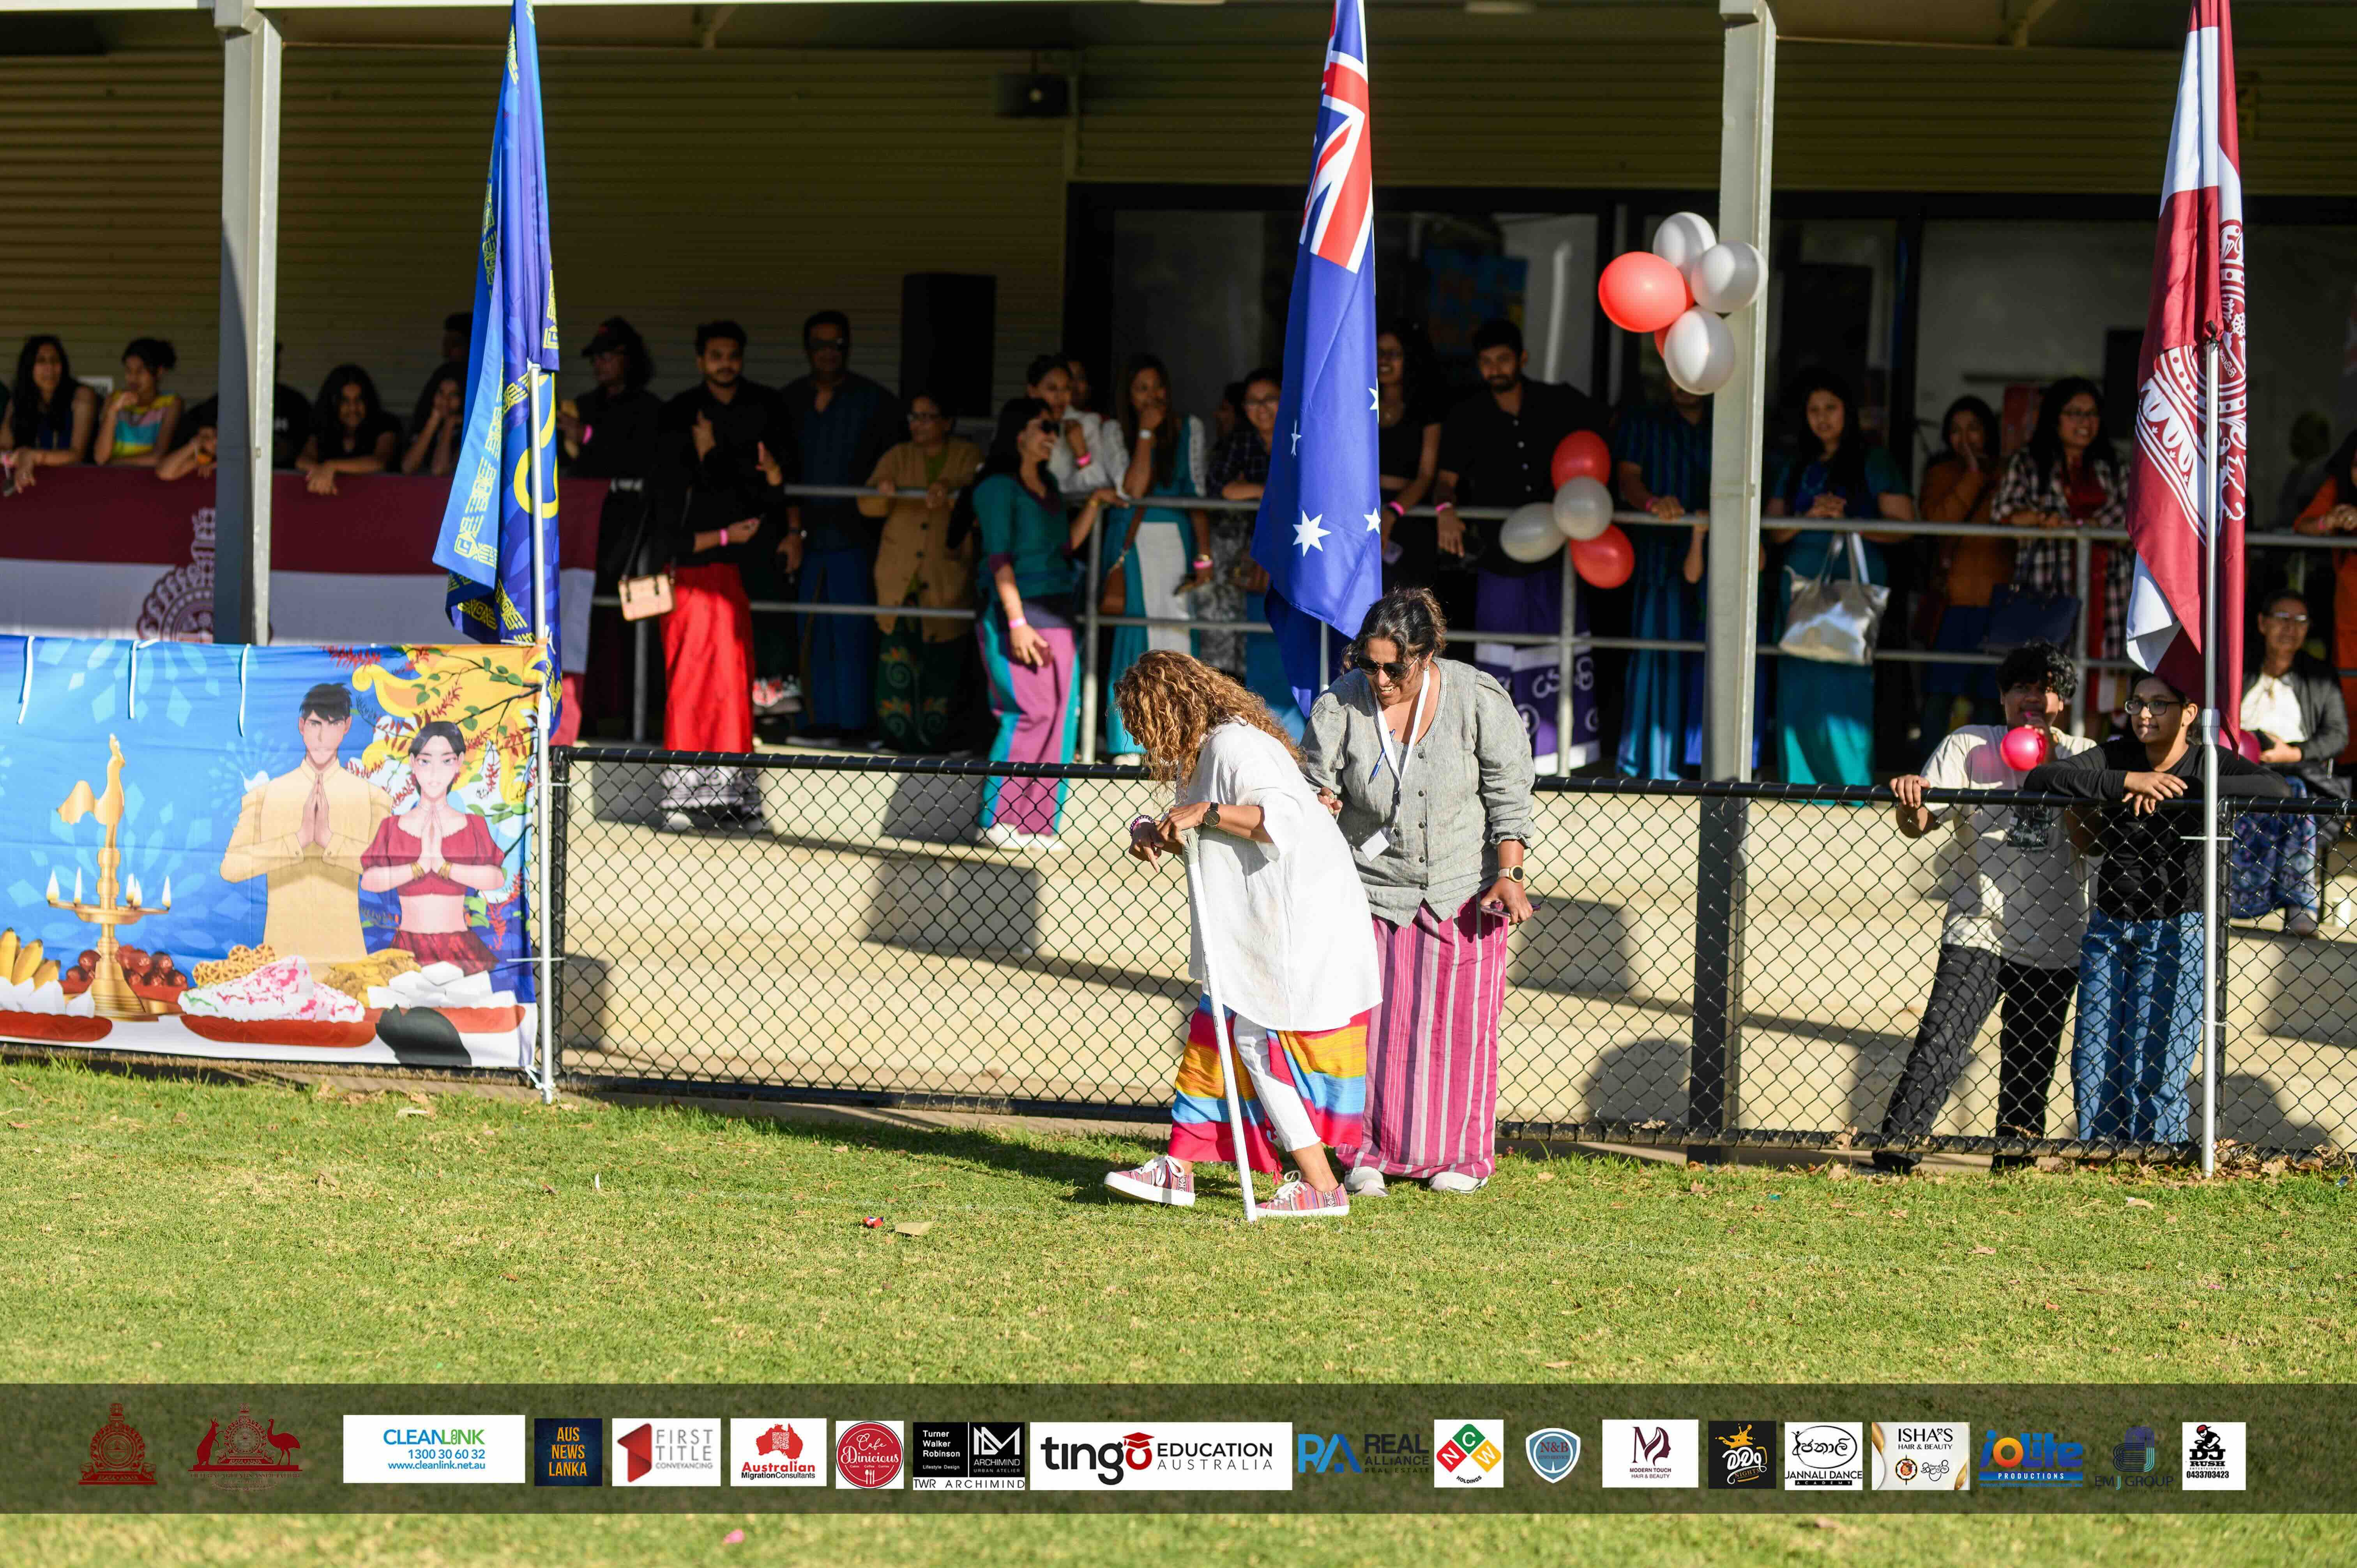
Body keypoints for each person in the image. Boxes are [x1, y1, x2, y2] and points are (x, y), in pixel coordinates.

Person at [1104, 650, 1380, 1217]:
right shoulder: (1202, 754)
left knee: (1254, 1045)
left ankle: (1322, 1187)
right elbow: (1197, 825)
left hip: (1297, 921)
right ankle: (1179, 1166)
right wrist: (1150, 831)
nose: (1144, 741)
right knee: (1217, 1039)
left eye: (1144, 726)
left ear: (1169, 710)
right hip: (1259, 927)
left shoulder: (1236, 745)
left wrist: (1205, 812)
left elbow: (1280, 819)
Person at [1300, 587, 1536, 1195]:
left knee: (1458, 1033)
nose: (1378, 679)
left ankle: (1460, 1158)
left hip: (1462, 890)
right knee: (1371, 1033)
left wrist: (1508, 875)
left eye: (1393, 667)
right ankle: (1364, 1155)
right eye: (1368, 663)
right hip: (1370, 893)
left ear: (1428, 656)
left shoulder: (1477, 697)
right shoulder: (1340, 704)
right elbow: (1314, 787)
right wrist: (1320, 804)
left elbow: (1508, 794)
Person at [2023, 673, 2288, 1144]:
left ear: (2189, 712)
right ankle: (2099, 1153)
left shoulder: (2207, 759)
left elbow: (2277, 789)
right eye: (2137, 703)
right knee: (2094, 1055)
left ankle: (2155, 1157)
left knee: (2159, 1059)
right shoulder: (2119, 753)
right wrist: (2128, 780)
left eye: (2159, 704)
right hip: (2108, 928)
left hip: (2178, 926)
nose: (2145, 714)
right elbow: (2043, 776)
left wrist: (2174, 787)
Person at [1874, 641, 2092, 1175]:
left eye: (2045, 688)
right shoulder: (1970, 745)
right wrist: (1910, 799)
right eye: (2021, 688)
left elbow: (2092, 842)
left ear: (2061, 700)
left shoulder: (2084, 753)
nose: (2033, 698)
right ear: (2003, 697)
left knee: (2030, 1066)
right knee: (1941, 1043)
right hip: (1980, 926)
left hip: (2056, 936)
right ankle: (1894, 1159)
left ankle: (2012, 1172)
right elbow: (1920, 824)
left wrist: (2058, 772)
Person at [1434, 318, 1611, 770]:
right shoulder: (1466, 415)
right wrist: (1444, 512)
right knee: (1501, 653)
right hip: (1498, 556)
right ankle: (1499, 757)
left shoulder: (1561, 403)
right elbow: (1445, 481)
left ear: (1522, 359)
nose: (1495, 369)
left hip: (1562, 556)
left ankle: (1566, 755)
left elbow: (1605, 434)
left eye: (1503, 360)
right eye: (1487, 362)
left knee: (1561, 645)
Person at [651, 320, 792, 831]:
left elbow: (763, 495)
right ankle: (683, 801)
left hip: (734, 576)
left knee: (732, 687)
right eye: (716, 354)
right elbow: (673, 525)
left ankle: (735, 801)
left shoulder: (763, 408)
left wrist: (767, 477)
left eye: (733, 354)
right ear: (699, 360)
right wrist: (711, 462)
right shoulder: (677, 418)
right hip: (690, 577)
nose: (725, 362)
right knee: (690, 685)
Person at [969, 397, 1118, 847]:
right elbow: (999, 561)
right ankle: (997, 818)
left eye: (1054, 428)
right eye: (1043, 427)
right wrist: (1016, 623)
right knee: (1030, 712)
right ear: (1019, 434)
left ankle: (1035, 824)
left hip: (1057, 610)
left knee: (1061, 717)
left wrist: (1092, 503)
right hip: (1016, 613)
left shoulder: (1050, 483)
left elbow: (1064, 547)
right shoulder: (996, 487)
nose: (1052, 435)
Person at [1764, 371, 1915, 785]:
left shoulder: (1875, 461)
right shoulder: (1795, 465)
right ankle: (1800, 782)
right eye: (1814, 410)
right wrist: (1809, 515)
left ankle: (1849, 782)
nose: (1823, 418)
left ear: (1848, 412)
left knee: (1846, 682)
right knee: (1799, 681)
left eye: (1831, 408)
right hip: (1800, 584)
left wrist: (1851, 520)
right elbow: (1775, 530)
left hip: (1853, 584)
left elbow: (1905, 525)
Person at [781, 310, 901, 747]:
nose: (828, 353)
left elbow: (895, 462)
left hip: (857, 537)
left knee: (855, 632)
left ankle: (857, 725)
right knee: (810, 632)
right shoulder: (790, 400)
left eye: (837, 344)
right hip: (804, 536)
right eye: (820, 344)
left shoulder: (875, 401)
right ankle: (818, 723)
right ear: (807, 349)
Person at [219, 682, 396, 966]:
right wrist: (297, 840)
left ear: (347, 726)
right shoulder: (264, 796)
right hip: (280, 961)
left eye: (333, 724)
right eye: (315, 724)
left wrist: (329, 840)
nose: (323, 736)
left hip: (347, 962)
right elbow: (231, 868)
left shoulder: (373, 798)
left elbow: (386, 872)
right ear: (301, 726)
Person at [1101, 354, 1215, 762]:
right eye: (1141, 389)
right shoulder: (1115, 431)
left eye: (1157, 386)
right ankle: (1129, 742)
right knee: (1137, 634)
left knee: (1177, 634)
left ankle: (1179, 738)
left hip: (1178, 540)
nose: (1153, 396)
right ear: (1129, 398)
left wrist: (1204, 553)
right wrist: (1146, 435)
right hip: (1135, 541)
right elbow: (1132, 489)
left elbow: (1196, 494)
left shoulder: (1190, 428)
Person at [1992, 377, 2128, 715]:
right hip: (2048, 592)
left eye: (2092, 414)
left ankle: (2089, 762)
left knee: (2102, 687)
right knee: (2048, 679)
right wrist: (2044, 520)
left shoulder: (2114, 466)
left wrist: (2087, 527)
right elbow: (2003, 512)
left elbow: (2135, 519)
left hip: (2108, 592)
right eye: (2075, 413)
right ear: (2055, 418)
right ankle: (2052, 765)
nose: (2085, 422)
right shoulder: (2029, 463)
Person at [862, 391, 982, 754]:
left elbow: (978, 493)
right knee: (897, 662)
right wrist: (883, 492)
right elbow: (867, 503)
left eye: (928, 417)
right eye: (914, 417)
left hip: (945, 576)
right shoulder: (898, 456)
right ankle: (897, 739)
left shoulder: (967, 455)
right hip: (901, 579)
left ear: (947, 422)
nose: (918, 424)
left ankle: (946, 742)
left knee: (944, 664)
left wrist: (952, 490)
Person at [2231, 590, 2348, 935]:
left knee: (2294, 797)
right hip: (2238, 772)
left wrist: (2292, 753)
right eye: (2282, 619)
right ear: (2262, 624)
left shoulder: (2319, 677)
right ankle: (2227, 898)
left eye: (2300, 621)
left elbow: (2338, 735)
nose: (2291, 628)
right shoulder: (2239, 668)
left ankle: (2299, 905)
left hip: (2295, 774)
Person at [1614, 384, 1713, 779]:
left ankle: (1707, 763)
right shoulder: (1646, 422)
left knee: (1715, 657)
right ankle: (1651, 764)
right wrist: (1654, 503)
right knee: (1659, 653)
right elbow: (1628, 479)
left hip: (1721, 557)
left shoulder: (1727, 422)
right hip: (1659, 555)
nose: (1680, 383)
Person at [358, 721, 507, 974]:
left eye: (446, 761)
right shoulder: (393, 827)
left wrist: (445, 867)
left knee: (467, 1013)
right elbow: (369, 881)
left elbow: (496, 878)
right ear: (413, 763)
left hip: (459, 946)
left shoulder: (473, 825)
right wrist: (417, 867)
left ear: (459, 762)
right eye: (426, 762)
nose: (435, 773)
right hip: (406, 947)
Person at [1203, 366, 1304, 733]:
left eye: (1270, 400)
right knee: (1255, 642)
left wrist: (1252, 489)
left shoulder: (1302, 436)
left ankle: (1295, 733)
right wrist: (1268, 493)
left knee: (1292, 642)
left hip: (1299, 558)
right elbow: (1219, 488)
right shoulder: (1239, 443)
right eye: (1252, 402)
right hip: (1251, 558)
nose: (1261, 409)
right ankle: (1265, 731)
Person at [1915, 396, 2008, 747]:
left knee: (1990, 699)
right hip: (1952, 604)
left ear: (1989, 432)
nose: (1965, 437)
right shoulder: (1940, 473)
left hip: (1998, 605)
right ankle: (1926, 775)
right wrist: (1971, 476)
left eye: (1974, 428)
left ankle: (1980, 780)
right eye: (1955, 430)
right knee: (1940, 695)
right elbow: (1940, 522)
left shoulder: (2008, 472)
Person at [1376, 321, 1455, 613]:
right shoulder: (1358, 401)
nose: (1384, 360)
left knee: (1404, 612)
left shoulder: (1426, 407)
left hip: (1410, 516)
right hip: (1364, 514)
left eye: (1393, 354)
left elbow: (1426, 476)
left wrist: (1392, 513)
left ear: (1409, 358)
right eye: (1379, 353)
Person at [2290, 428, 2357, 753]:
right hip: (2350, 608)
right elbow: (2302, 526)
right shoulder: (2340, 487)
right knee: (2349, 690)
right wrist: (2329, 521)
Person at [558, 317, 663, 480]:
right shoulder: (583, 404)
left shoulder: (651, 408)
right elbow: (567, 460)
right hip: (585, 500)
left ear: (630, 357)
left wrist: (586, 435)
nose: (598, 364)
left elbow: (640, 460)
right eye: (595, 358)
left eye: (606, 357)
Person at [1, 335, 98, 488]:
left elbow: (77, 454)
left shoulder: (82, 396)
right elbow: (4, 448)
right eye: (41, 361)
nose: (50, 368)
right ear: (29, 367)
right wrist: (14, 458)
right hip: (29, 488)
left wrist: (32, 456)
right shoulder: (17, 401)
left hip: (77, 486)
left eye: (55, 361)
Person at [296, 365, 402, 496]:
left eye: (359, 400)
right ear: (332, 403)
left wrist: (332, 466)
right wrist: (321, 471)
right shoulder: (321, 425)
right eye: (344, 401)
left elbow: (379, 461)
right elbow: (303, 460)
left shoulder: (386, 424)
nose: (353, 408)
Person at [1023, 352, 1117, 494]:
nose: (1061, 397)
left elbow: (1099, 486)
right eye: (1052, 389)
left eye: (1067, 389)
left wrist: (1082, 453)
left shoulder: (1087, 423)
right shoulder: (1018, 423)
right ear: (1033, 391)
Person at [92, 338, 181, 467]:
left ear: (159, 372)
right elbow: (100, 457)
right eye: (129, 371)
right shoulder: (114, 400)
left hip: (151, 481)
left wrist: (113, 463)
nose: (133, 378)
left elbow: (158, 457)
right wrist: (112, 411)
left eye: (140, 371)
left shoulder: (171, 403)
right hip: (113, 479)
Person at [401, 362, 465, 477]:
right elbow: (408, 467)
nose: (446, 401)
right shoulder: (424, 422)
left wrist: (449, 424)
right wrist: (433, 421)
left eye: (453, 395)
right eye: (441, 393)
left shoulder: (468, 429)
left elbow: (440, 470)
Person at [157, 397, 218, 482]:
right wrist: (193, 445)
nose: (216, 440)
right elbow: (165, 473)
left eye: (219, 434)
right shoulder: (205, 457)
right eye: (206, 437)